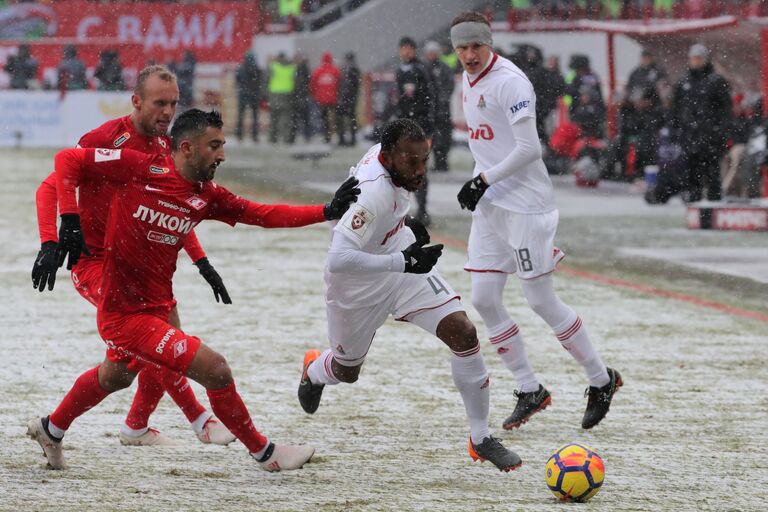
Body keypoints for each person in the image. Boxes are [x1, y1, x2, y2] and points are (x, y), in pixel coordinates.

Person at [28, 108, 361, 471]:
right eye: (214, 146)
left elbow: (263, 214)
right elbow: (66, 159)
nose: (222, 155)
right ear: (187, 148)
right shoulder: (140, 168)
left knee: (115, 377)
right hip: (124, 315)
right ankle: (265, 454)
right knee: (216, 368)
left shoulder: (208, 195)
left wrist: (327, 210)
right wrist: (67, 222)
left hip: (156, 306)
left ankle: (52, 428)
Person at [297, 119, 522, 472]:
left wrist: (403, 232)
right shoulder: (374, 193)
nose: (420, 170)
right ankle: (314, 370)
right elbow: (339, 259)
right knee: (346, 371)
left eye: (424, 160)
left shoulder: (392, 162)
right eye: (412, 162)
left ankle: (480, 438)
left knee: (463, 332)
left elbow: (385, 207)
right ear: (388, 157)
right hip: (355, 286)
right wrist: (402, 260)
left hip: (399, 265)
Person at [32, 65, 235, 448]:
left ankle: (110, 427)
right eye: (160, 103)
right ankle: (197, 419)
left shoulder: (166, 146)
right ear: (136, 101)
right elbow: (51, 184)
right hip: (96, 264)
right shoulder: (106, 138)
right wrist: (50, 240)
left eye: (173, 103)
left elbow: (175, 210)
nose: (167, 112)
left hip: (141, 262)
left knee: (122, 370)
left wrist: (201, 260)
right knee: (158, 333)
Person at [450, 12, 622, 431]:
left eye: (477, 46)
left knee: (540, 300)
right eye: (462, 48)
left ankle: (602, 380)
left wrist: (482, 179)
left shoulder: (510, 82)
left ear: (489, 44)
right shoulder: (467, 81)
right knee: (485, 298)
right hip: (492, 206)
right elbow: (486, 141)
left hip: (526, 206)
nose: (470, 55)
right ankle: (530, 389)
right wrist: (480, 182)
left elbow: (530, 148)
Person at [671, 44, 732, 202]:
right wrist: (677, 130)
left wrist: (720, 132)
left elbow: (725, 110)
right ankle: (694, 202)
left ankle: (713, 204)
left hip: (710, 137)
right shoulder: (683, 82)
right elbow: (675, 109)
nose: (695, 62)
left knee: (712, 173)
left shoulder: (716, 81)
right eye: (693, 58)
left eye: (698, 58)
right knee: (692, 173)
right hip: (690, 136)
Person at [395, 37, 435, 226]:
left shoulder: (421, 70)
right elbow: (401, 101)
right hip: (406, 128)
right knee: (403, 169)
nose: (405, 52)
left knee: (418, 169)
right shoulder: (400, 72)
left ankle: (423, 210)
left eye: (408, 48)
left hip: (420, 128)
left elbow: (429, 100)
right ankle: (403, 210)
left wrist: (426, 129)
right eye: (402, 48)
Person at [424, 41, 455, 172]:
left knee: (444, 137)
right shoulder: (424, 68)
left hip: (443, 110)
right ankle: (434, 162)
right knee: (432, 137)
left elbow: (449, 86)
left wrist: (442, 100)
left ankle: (442, 162)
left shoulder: (445, 68)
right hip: (431, 110)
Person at [310, 52, 341, 144]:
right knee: (333, 118)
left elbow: (312, 85)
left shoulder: (318, 70)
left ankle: (326, 136)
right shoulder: (335, 71)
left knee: (324, 119)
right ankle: (335, 135)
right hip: (333, 99)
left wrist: (315, 95)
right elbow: (339, 84)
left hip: (321, 100)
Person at [268, 52, 296, 144]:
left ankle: (273, 139)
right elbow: (296, 82)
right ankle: (286, 138)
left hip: (275, 95)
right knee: (286, 118)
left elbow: (266, 80)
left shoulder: (273, 66)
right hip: (287, 95)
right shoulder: (292, 67)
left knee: (274, 118)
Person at [236, 52, 263, 143]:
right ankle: (254, 136)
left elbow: (237, 80)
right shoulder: (257, 69)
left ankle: (239, 135)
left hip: (243, 94)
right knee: (255, 116)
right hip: (254, 94)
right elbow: (260, 81)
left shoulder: (241, 68)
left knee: (241, 115)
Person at [336, 52, 361, 147]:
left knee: (348, 120)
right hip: (347, 99)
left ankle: (348, 139)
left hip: (348, 99)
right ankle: (346, 139)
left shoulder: (350, 70)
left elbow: (352, 86)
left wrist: (345, 97)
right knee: (349, 120)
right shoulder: (347, 70)